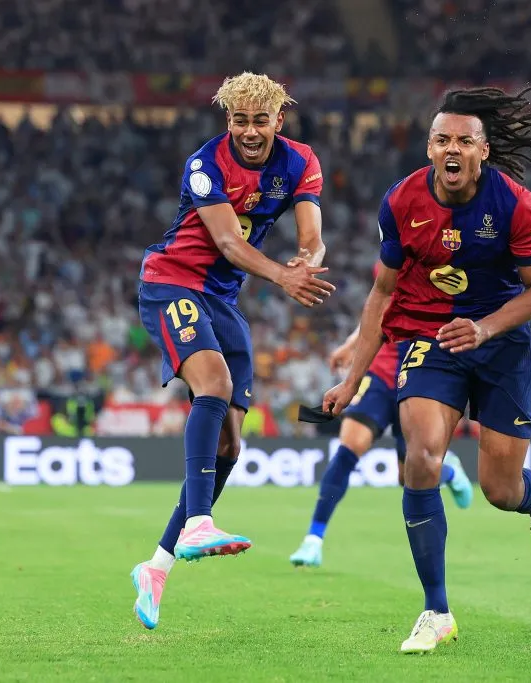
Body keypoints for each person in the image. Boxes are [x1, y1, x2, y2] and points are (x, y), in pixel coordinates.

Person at [322, 87, 531, 653]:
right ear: (430, 148)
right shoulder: (403, 200)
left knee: (500, 491)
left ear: (483, 151)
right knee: (422, 455)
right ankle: (436, 610)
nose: (452, 148)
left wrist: (484, 328)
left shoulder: (517, 206)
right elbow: (382, 292)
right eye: (442, 139)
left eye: (464, 140)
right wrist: (354, 377)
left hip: (500, 342)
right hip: (430, 339)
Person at [131, 72, 336, 630]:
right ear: (229, 121)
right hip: (172, 282)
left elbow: (311, 231)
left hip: (221, 299)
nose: (249, 130)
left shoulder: (299, 161)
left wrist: (307, 258)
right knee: (214, 386)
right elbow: (226, 241)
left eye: (259, 120)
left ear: (278, 120)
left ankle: (156, 568)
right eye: (239, 120)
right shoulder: (205, 165)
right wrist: (282, 278)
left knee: (230, 445)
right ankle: (199, 521)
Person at [289, 261, 473, 569]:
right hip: (380, 371)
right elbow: (379, 308)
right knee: (349, 447)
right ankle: (313, 539)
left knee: (408, 476)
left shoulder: (445, 261)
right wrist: (351, 345)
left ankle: (449, 473)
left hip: (419, 374)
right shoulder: (389, 261)